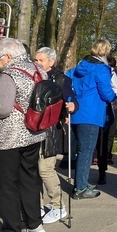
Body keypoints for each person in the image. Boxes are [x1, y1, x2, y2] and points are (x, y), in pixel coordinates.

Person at [0, 38, 47, 232]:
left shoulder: (9, 75)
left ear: (8, 56)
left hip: (9, 137)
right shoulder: (38, 69)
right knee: (29, 179)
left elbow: (3, 109)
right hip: (34, 133)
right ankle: (34, 224)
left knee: (5, 184)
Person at [33, 47, 78, 223]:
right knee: (33, 169)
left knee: (45, 168)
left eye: (41, 60)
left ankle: (58, 205)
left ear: (51, 62)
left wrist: (72, 107)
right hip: (33, 127)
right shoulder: (33, 76)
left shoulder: (61, 79)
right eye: (36, 60)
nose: (37, 64)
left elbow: (72, 99)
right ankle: (36, 206)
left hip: (51, 130)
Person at [68, 39, 117, 200]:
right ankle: (80, 187)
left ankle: (82, 182)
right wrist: (114, 95)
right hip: (91, 113)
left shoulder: (79, 67)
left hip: (77, 111)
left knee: (83, 150)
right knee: (86, 151)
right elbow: (106, 93)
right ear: (106, 51)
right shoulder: (101, 69)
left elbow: (66, 81)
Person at [95, 55, 117, 184]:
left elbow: (115, 92)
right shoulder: (99, 71)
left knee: (107, 134)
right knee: (99, 135)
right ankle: (99, 158)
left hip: (110, 107)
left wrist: (112, 98)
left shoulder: (116, 74)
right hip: (99, 107)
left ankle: (106, 156)